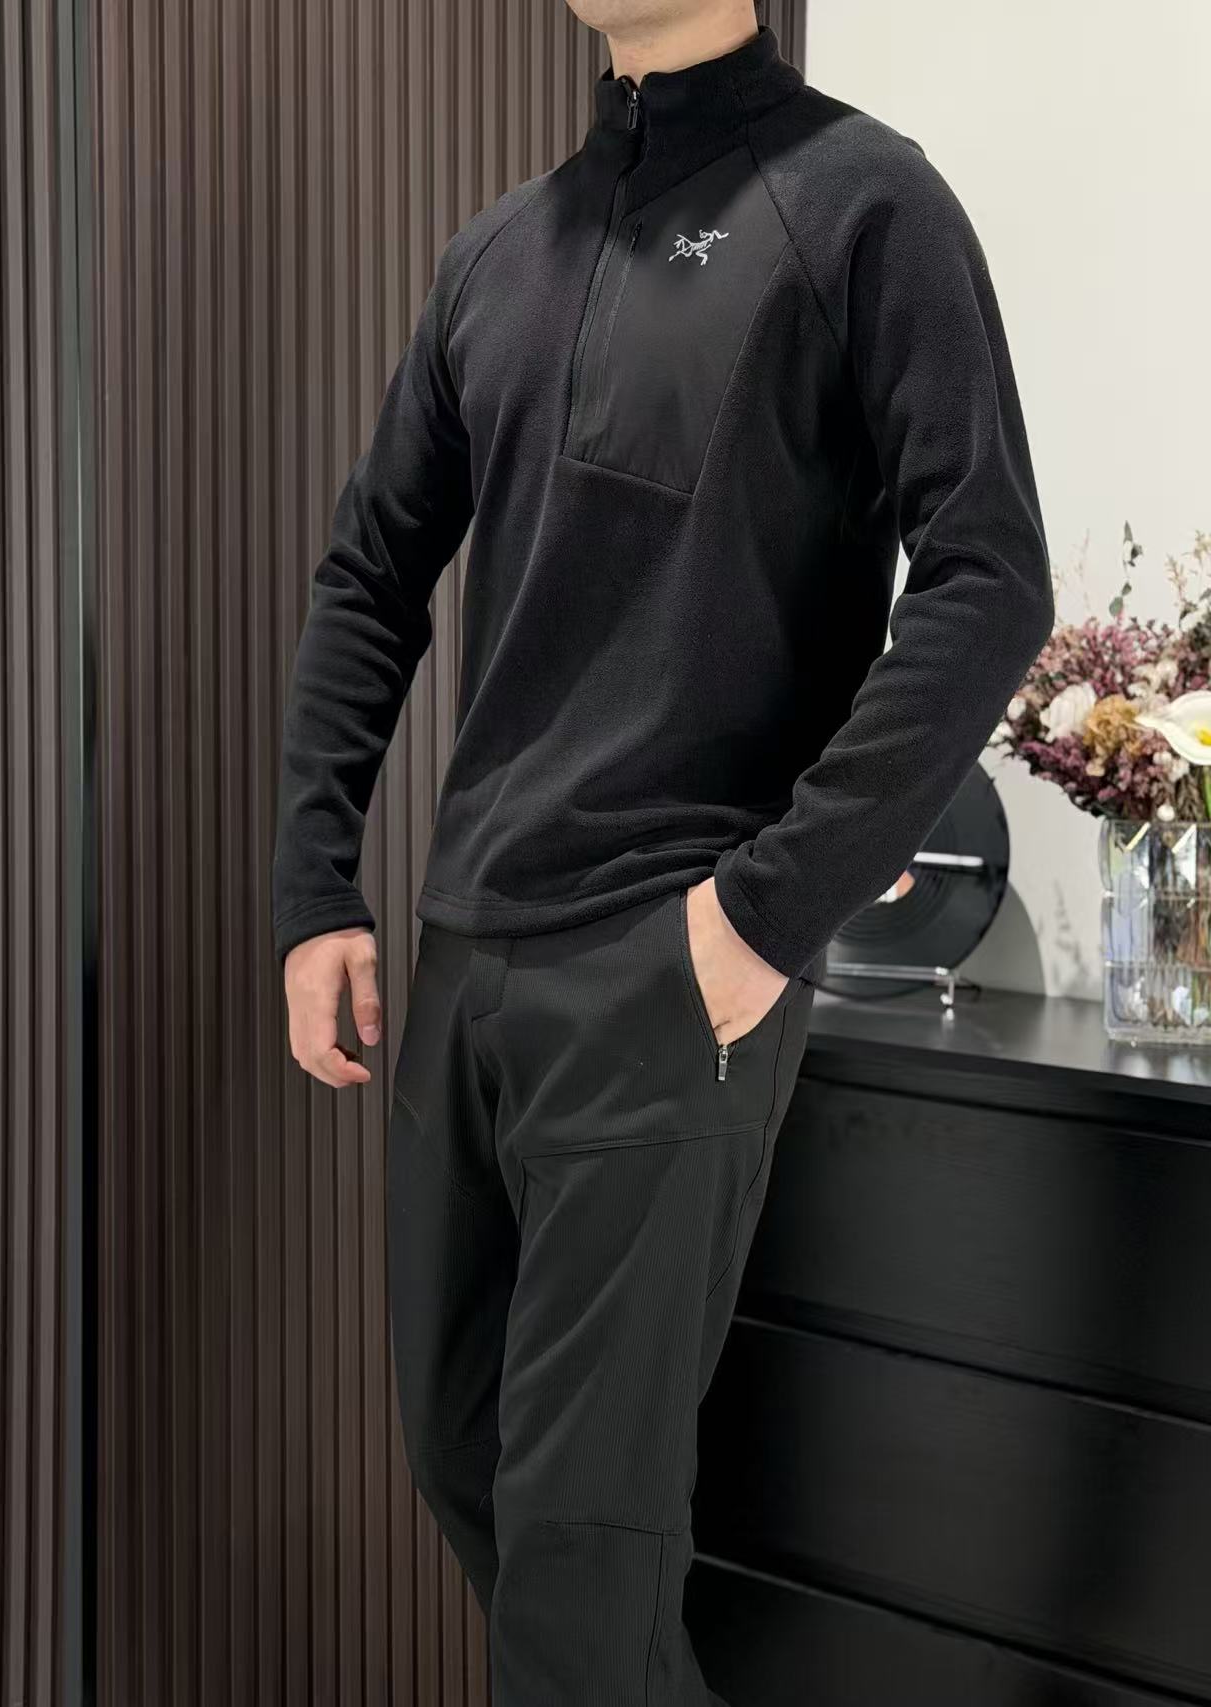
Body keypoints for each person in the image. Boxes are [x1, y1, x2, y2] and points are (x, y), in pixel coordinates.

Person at [271, 2, 1053, 1699]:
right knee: (465, 1470)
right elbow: (370, 573)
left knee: (579, 1554)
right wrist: (315, 884)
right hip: (467, 968)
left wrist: (765, 915)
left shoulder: (863, 204)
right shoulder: (497, 254)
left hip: (666, 970)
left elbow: (990, 577)